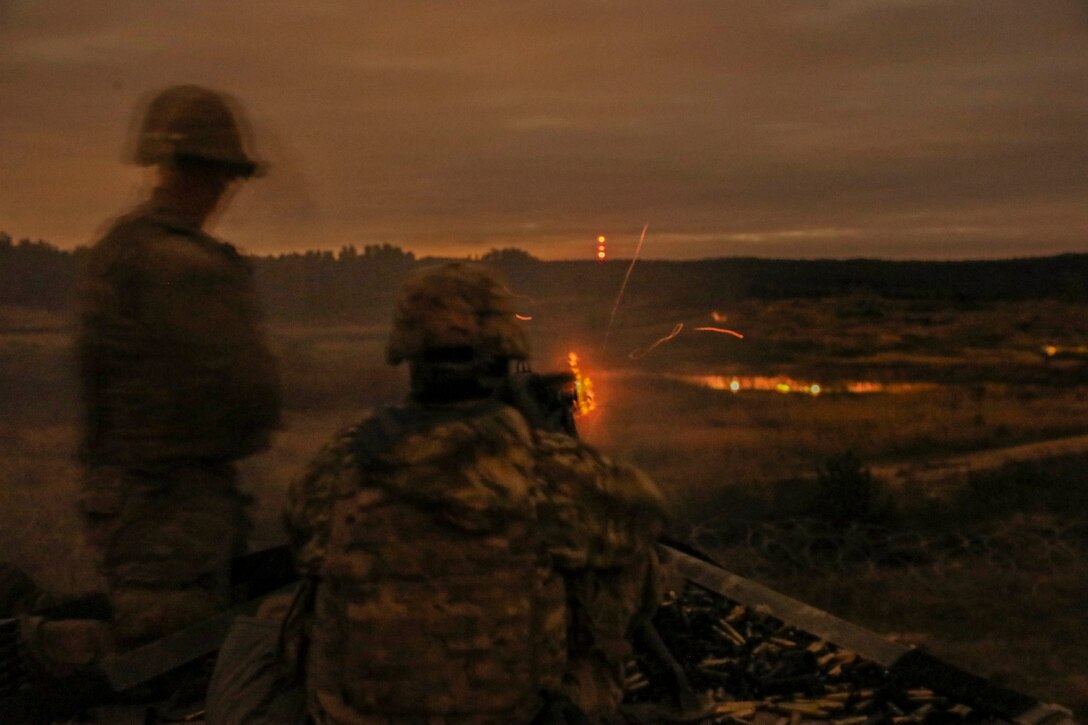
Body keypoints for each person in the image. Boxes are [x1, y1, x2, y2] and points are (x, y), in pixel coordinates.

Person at [282, 262, 666, 724]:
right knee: (624, 563)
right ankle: (572, 700)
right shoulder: (553, 472)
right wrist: (535, 431)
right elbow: (644, 523)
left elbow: (304, 540)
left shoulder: (338, 464)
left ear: (408, 358)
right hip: (516, 716)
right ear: (504, 358)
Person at [36, 84, 282, 666]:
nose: (226, 191)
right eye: (225, 176)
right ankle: (44, 652)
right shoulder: (189, 266)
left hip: (126, 505)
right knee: (167, 664)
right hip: (176, 516)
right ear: (210, 171)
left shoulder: (119, 248)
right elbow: (252, 402)